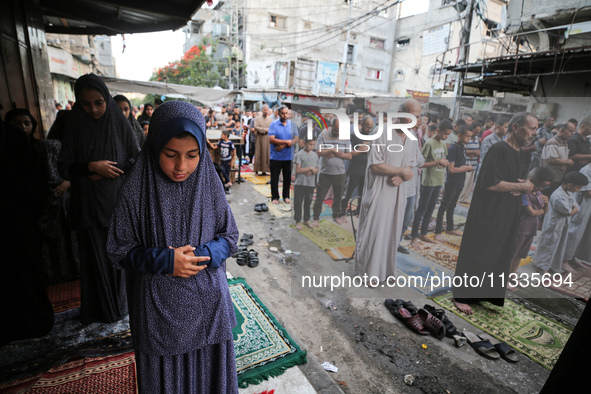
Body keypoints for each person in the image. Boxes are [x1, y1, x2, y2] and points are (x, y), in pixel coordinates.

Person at [107, 101, 239, 393]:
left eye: (192, 155)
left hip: (208, 307)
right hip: (158, 313)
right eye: (171, 154)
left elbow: (229, 236)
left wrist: (202, 254)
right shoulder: (135, 189)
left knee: (209, 380)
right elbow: (118, 248)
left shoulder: (210, 183)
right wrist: (164, 260)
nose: (182, 166)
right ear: (155, 146)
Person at [59, 73, 140, 323]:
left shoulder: (119, 124)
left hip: (115, 204)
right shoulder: (73, 124)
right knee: (94, 259)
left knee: (118, 257)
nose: (93, 109)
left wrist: (111, 170)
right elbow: (65, 165)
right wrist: (90, 167)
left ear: (107, 99)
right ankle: (99, 310)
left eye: (99, 102)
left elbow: (136, 159)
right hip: (87, 205)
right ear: (77, 102)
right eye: (85, 103)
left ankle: (121, 308)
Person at [453, 112, 537, 315]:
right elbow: (488, 183)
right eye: (531, 128)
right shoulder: (499, 149)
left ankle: (482, 293)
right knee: (481, 250)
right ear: (516, 128)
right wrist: (521, 186)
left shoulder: (521, 152)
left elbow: (516, 182)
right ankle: (462, 295)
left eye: (535, 128)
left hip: (508, 210)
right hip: (489, 210)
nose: (534, 132)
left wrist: (524, 186)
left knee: (498, 251)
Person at [6, 108, 80, 285]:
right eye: (17, 123)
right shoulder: (49, 146)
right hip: (49, 202)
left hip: (62, 201)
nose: (23, 128)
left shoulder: (65, 145)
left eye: (27, 123)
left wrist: (69, 182)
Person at [0, 116, 54, 346]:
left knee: (25, 273)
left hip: (17, 219)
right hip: (18, 217)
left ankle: (33, 322)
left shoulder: (13, 139)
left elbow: (36, 182)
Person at [354, 99, 417, 284]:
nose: (414, 120)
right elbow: (375, 165)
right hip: (380, 192)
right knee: (374, 232)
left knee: (392, 232)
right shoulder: (381, 132)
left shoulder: (412, 138)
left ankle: (385, 272)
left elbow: (411, 163)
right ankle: (367, 273)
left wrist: (404, 175)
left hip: (399, 192)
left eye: (417, 117)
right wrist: (401, 171)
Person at [507, 166, 553, 290]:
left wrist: (546, 204)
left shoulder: (538, 192)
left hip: (532, 228)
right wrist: (542, 210)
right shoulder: (525, 193)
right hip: (522, 228)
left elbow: (544, 211)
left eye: (545, 187)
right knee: (512, 254)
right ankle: (504, 277)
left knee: (520, 255)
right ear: (531, 180)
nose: (541, 189)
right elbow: (531, 212)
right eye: (539, 186)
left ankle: (512, 275)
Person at [533, 171, 588, 275]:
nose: (579, 190)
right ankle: (540, 265)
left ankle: (551, 264)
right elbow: (567, 211)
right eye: (579, 187)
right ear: (570, 185)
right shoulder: (558, 196)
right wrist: (574, 210)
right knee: (548, 245)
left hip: (562, 224)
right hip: (553, 225)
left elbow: (576, 205)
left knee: (558, 245)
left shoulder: (570, 192)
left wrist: (574, 209)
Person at [409, 120, 451, 249]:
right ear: (437, 131)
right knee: (421, 210)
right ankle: (414, 237)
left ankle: (424, 233)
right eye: (445, 134)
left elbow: (444, 161)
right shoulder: (429, 144)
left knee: (430, 210)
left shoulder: (443, 145)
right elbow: (421, 163)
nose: (446, 137)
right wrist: (437, 162)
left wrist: (444, 164)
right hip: (428, 182)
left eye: (448, 135)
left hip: (438, 181)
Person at [434, 126, 473, 241]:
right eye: (467, 136)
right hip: (452, 182)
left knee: (452, 206)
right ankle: (437, 231)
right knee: (444, 206)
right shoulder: (453, 148)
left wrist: (466, 168)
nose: (469, 139)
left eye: (470, 137)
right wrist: (466, 168)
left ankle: (450, 228)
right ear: (460, 135)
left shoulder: (462, 147)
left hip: (460, 182)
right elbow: (451, 169)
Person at [312, 117, 353, 225]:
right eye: (335, 130)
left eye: (339, 130)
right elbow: (318, 151)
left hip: (340, 172)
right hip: (325, 172)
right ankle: (316, 217)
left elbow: (349, 155)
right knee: (320, 196)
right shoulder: (323, 134)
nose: (337, 132)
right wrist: (330, 150)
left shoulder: (345, 136)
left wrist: (337, 154)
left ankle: (336, 216)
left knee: (338, 196)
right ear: (331, 126)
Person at [340, 115, 374, 214]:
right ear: (362, 124)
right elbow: (350, 152)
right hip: (355, 169)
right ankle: (342, 210)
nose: (369, 129)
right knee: (348, 192)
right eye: (367, 127)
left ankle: (358, 211)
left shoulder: (371, 137)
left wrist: (366, 149)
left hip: (365, 169)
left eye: (371, 127)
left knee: (362, 193)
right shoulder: (353, 136)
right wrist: (360, 150)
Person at [563, 163, 591, 270]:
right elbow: (587, 192)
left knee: (584, 233)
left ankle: (572, 256)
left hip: (589, 206)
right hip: (582, 205)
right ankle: (564, 259)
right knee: (574, 231)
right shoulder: (586, 170)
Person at [269, 105, 298, 204]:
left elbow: (296, 138)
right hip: (276, 157)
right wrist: (286, 142)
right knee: (274, 178)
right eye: (283, 113)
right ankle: (275, 197)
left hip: (288, 157)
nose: (285, 115)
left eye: (287, 113)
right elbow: (271, 139)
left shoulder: (292, 125)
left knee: (287, 178)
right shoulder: (273, 124)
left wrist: (284, 144)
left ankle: (286, 196)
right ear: (278, 113)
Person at [540, 121, 576, 196]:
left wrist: (567, 162)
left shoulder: (564, 143)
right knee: (543, 196)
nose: (572, 134)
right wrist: (567, 162)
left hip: (557, 177)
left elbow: (562, 159)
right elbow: (551, 160)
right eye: (570, 131)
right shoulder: (553, 142)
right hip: (549, 177)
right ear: (562, 130)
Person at [294, 137, 319, 230]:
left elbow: (317, 168)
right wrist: (309, 169)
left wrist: (313, 171)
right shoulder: (299, 154)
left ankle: (306, 219)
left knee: (308, 203)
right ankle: (297, 221)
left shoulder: (315, 155)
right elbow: (298, 169)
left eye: (313, 144)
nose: (312, 147)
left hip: (310, 184)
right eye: (310, 144)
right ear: (304, 143)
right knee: (298, 203)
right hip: (300, 183)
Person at [458, 122, 481, 203]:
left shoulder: (477, 139)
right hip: (466, 163)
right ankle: (460, 197)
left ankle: (464, 198)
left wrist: (477, 153)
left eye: (478, 132)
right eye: (476, 131)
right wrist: (474, 152)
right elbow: (464, 150)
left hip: (474, 164)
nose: (477, 133)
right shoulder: (467, 138)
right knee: (465, 182)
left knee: (470, 183)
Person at [254, 105, 272, 175]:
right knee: (259, 153)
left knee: (266, 154)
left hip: (267, 139)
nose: (266, 111)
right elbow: (256, 127)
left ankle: (265, 170)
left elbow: (272, 128)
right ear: (262, 110)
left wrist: (268, 131)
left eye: (267, 110)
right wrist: (265, 130)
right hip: (260, 138)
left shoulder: (270, 119)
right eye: (265, 110)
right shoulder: (257, 118)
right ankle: (257, 170)